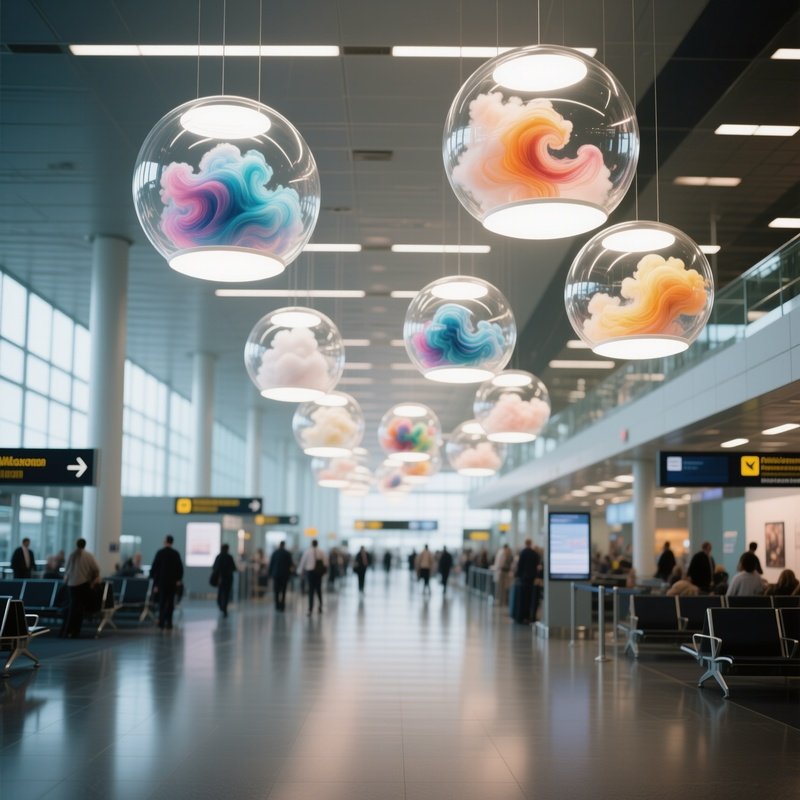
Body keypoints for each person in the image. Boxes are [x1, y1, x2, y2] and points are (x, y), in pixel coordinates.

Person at [62, 538, 100, 638]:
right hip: (83, 584)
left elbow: (66, 570)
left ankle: (67, 630)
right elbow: (96, 569)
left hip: (71, 585)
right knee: (79, 608)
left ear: (77, 544)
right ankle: (75, 631)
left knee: (72, 607)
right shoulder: (88, 556)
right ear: (85, 545)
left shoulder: (71, 555)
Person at [150, 536, 183, 630]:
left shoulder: (160, 553)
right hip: (172, 583)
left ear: (165, 541)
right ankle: (169, 622)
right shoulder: (175, 554)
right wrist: (178, 579)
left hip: (162, 583)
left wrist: (154, 582)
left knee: (162, 602)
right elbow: (180, 568)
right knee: (170, 603)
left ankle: (161, 622)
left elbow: (155, 568)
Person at [296, 539, 328, 615]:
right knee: (318, 589)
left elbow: (303, 562)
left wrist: (300, 571)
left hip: (310, 572)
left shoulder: (307, 551)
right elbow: (326, 563)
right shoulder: (321, 552)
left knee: (311, 590)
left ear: (311, 544)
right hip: (318, 573)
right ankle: (320, 606)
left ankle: (310, 608)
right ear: (317, 544)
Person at [515, 540, 541, 624]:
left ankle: (521, 617)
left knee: (522, 599)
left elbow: (519, 566)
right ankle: (529, 616)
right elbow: (537, 566)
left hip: (523, 579)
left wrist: (518, 576)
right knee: (530, 599)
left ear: (525, 544)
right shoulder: (534, 554)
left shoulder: (523, 553)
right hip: (531, 579)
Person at [212, 544, 238, 617]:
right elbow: (233, 568)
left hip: (221, 578)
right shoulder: (229, 557)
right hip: (228, 578)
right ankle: (224, 607)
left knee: (220, 592)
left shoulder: (219, 556)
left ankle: (220, 605)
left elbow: (214, 567)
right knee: (226, 594)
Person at [269, 541, 293, 611]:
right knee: (283, 590)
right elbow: (290, 564)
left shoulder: (275, 553)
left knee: (276, 590)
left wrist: (270, 573)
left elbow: (271, 564)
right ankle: (282, 605)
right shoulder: (287, 553)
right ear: (284, 545)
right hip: (285, 575)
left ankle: (277, 605)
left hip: (276, 574)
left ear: (279, 545)